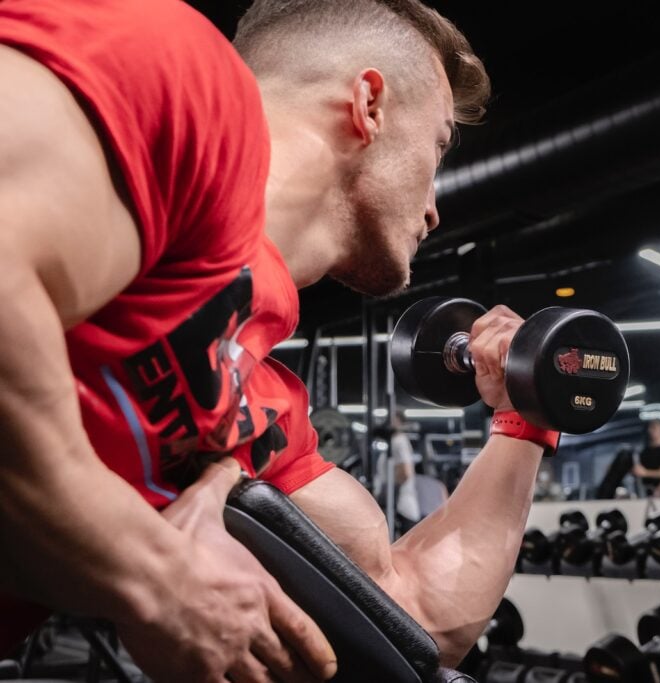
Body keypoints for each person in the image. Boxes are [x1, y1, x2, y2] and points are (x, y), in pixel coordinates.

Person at [0, 0, 551, 679]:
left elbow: (407, 616)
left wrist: (525, 415)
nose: (436, 205)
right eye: (436, 146)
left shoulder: (251, 405)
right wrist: (148, 571)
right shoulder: (175, 76)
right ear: (369, 104)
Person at [632, 419, 660, 495]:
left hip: (658, 492)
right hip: (643, 490)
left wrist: (645, 473)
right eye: (650, 428)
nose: (650, 430)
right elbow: (639, 468)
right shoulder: (646, 450)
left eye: (654, 428)